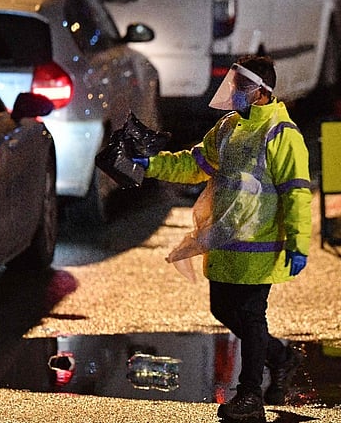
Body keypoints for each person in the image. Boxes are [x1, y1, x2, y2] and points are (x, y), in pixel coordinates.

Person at [133, 55, 311, 422]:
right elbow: (195, 164)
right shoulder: (228, 127)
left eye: (242, 86)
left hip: (260, 247)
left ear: (262, 92)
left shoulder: (282, 134)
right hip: (226, 242)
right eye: (235, 84)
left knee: (251, 317)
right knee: (224, 311)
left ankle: (250, 397)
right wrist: (151, 166)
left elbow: (296, 193)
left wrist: (298, 243)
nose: (235, 92)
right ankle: (280, 358)